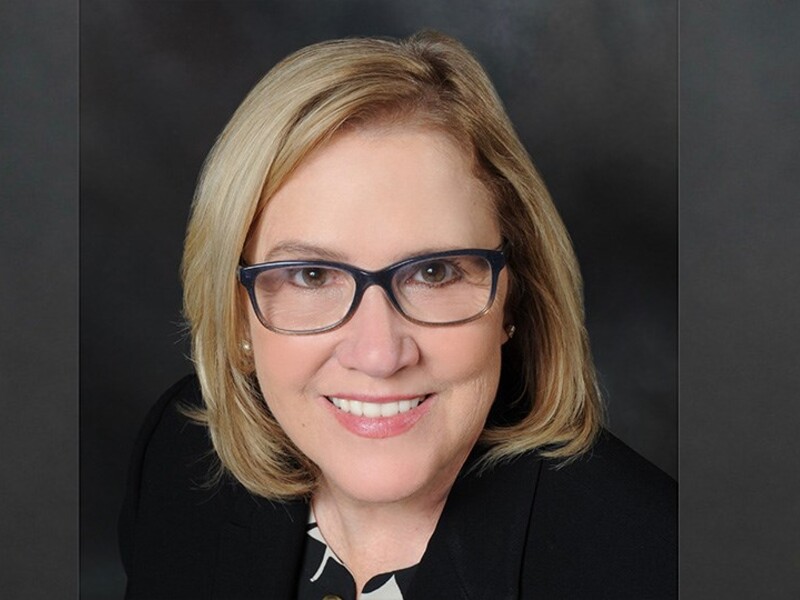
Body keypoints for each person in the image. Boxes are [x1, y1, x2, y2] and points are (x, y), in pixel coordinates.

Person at [119, 30, 676, 599]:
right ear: (237, 314)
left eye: (433, 273)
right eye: (312, 276)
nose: (380, 354)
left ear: (515, 295)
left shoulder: (654, 561)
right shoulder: (182, 456)